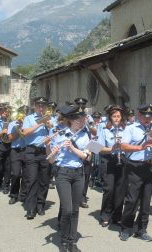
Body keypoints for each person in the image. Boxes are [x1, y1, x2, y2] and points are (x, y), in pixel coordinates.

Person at [47, 104, 91, 252]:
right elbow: (51, 161)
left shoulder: (85, 134)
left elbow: (87, 157)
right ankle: (64, 240)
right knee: (67, 209)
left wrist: (72, 148)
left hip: (79, 173)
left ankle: (72, 242)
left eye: (83, 119)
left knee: (75, 210)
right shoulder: (59, 133)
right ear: (71, 120)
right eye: (79, 119)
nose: (82, 121)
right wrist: (53, 151)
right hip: (63, 173)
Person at [119, 103, 152, 242]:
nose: (148, 119)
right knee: (132, 200)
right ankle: (126, 228)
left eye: (150, 116)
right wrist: (141, 147)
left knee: (146, 201)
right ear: (139, 115)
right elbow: (124, 146)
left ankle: (141, 229)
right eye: (145, 116)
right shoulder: (131, 128)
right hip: (134, 166)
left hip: (150, 166)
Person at [22, 97, 51, 219]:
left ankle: (40, 205)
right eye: (39, 106)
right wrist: (40, 123)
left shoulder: (51, 118)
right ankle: (31, 208)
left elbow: (56, 132)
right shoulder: (29, 118)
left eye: (43, 106)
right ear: (34, 106)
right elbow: (25, 132)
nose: (41, 108)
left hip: (45, 151)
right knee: (32, 179)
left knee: (44, 180)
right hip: (32, 151)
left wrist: (49, 125)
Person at [97, 105, 127, 227]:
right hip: (108, 159)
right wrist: (111, 148)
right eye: (114, 116)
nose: (116, 118)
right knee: (109, 189)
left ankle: (117, 216)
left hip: (122, 159)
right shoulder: (103, 127)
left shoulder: (126, 128)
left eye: (118, 116)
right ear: (110, 117)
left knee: (120, 190)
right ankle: (105, 214)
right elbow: (99, 148)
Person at [8, 105, 29, 204]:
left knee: (26, 174)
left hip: (26, 150)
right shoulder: (12, 124)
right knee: (15, 174)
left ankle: (23, 194)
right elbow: (11, 138)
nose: (23, 114)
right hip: (15, 151)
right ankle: (13, 194)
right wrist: (19, 127)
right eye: (22, 112)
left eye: (25, 112)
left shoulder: (29, 123)